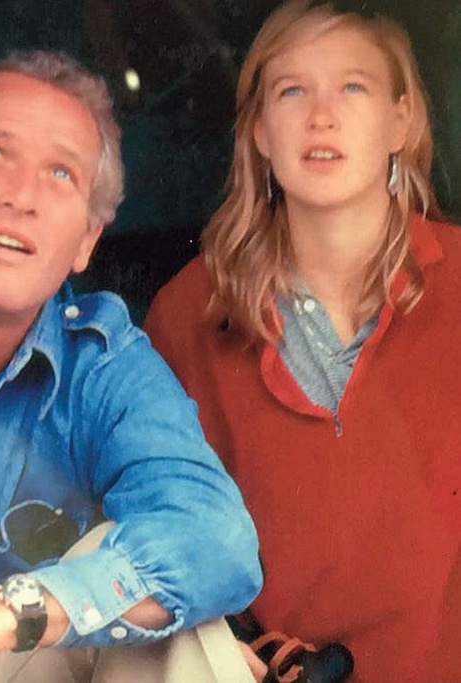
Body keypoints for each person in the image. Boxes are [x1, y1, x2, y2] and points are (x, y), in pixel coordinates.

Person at [0, 50, 263, 683]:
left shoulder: (100, 362)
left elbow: (217, 540)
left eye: (61, 173)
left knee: (175, 616)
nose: (23, 196)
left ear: (88, 239)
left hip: (3, 658)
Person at [144, 1, 461, 682]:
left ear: (400, 120)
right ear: (258, 129)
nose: (321, 115)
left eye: (352, 86)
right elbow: (154, 530)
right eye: (291, 90)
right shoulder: (187, 311)